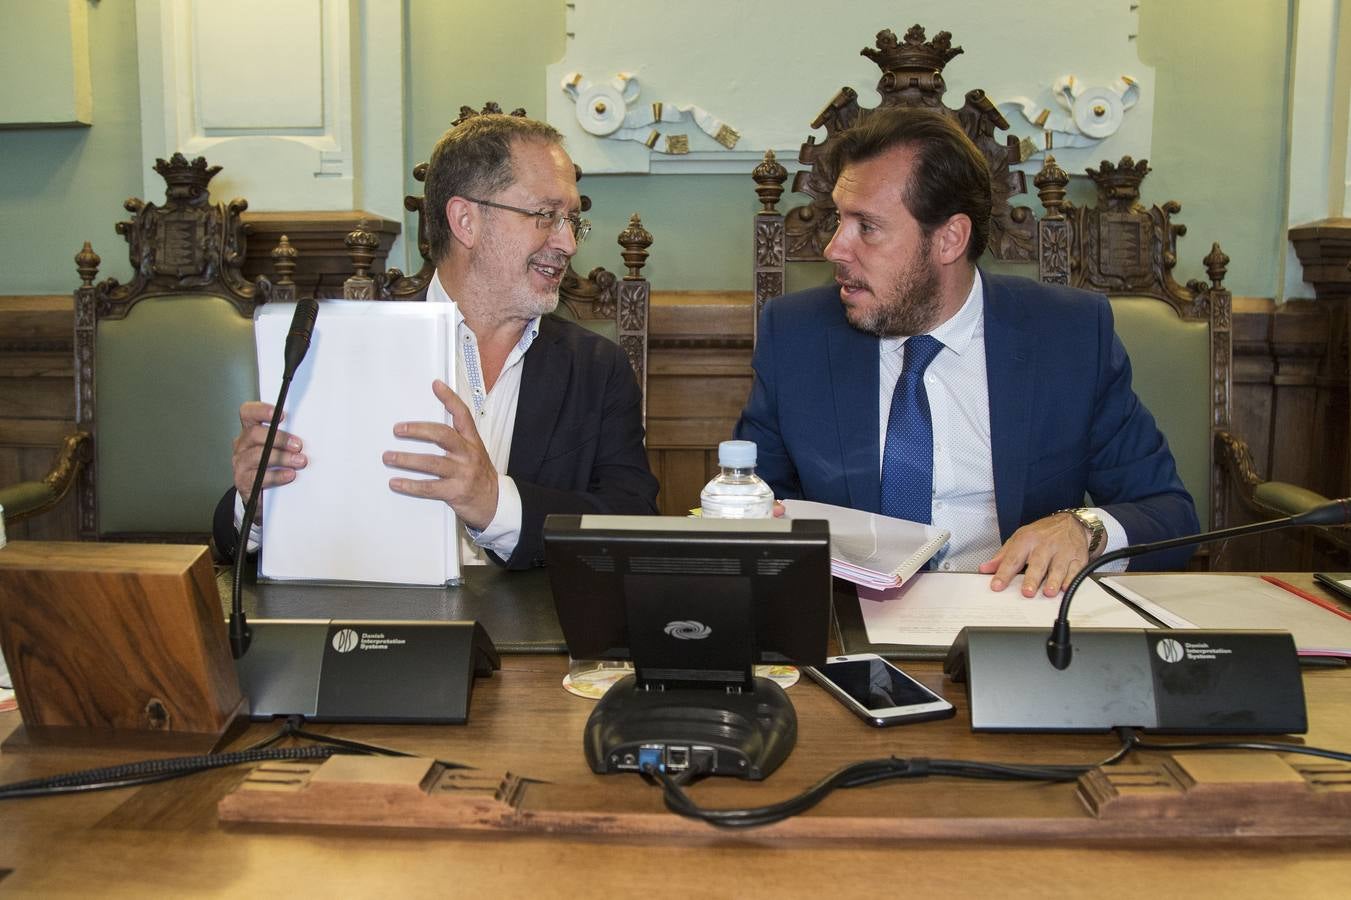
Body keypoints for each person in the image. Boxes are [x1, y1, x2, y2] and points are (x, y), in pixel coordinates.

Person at [735, 107, 1198, 596]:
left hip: (1012, 621)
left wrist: (1085, 528)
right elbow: (751, 503)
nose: (834, 248)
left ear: (950, 239)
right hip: (845, 624)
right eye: (837, 220)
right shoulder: (796, 336)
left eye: (866, 227)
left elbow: (1168, 514)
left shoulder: (1070, 336)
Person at [214, 114, 658, 569]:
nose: (567, 243)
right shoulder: (341, 351)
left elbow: (635, 524)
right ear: (465, 220)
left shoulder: (596, 368)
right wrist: (261, 504)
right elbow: (237, 547)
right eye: (546, 216)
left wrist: (496, 505)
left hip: (532, 633)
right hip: (381, 624)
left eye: (572, 221)